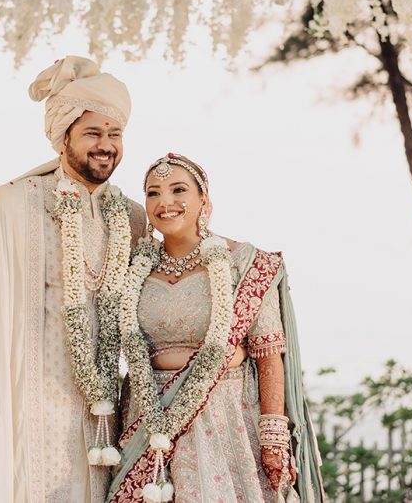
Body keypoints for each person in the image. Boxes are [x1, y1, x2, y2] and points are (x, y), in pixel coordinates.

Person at [0, 56, 146, 503]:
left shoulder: (132, 218)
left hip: (103, 422)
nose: (105, 145)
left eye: (114, 134)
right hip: (27, 410)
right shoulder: (12, 205)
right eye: (92, 133)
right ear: (62, 138)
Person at [108, 153, 324, 503]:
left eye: (178, 189)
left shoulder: (243, 262)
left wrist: (273, 436)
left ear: (203, 200)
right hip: (149, 419)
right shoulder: (134, 268)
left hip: (224, 420)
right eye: (153, 192)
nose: (165, 202)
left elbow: (268, 354)